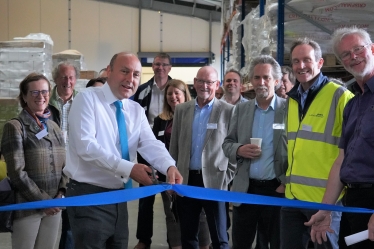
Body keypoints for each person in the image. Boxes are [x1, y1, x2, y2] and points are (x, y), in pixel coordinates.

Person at [63, 52, 182, 249]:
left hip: (119, 197)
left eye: (136, 74)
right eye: (124, 71)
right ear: (109, 72)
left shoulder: (135, 110)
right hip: (89, 196)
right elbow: (87, 146)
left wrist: (169, 166)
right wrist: (129, 169)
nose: (130, 79)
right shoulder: (87, 100)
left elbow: (150, 143)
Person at [281, 37, 354, 249]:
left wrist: (329, 207)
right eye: (296, 61)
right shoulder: (292, 99)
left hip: (325, 201)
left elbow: (350, 153)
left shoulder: (340, 96)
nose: (301, 66)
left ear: (320, 63)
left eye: (307, 60)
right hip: (292, 198)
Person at [305, 27, 374, 249]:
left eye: (358, 49)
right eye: (345, 54)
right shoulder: (353, 104)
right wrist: (326, 210)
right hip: (352, 203)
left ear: (372, 49)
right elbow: (341, 161)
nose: (352, 57)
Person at [222, 55, 287, 249]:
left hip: (276, 190)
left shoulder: (289, 109)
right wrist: (239, 149)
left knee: (276, 243)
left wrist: (285, 182)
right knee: (241, 243)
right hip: (246, 190)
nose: (261, 82)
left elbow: (297, 151)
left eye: (266, 77)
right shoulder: (241, 110)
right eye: (257, 78)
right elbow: (227, 144)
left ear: (276, 81)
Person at [169, 66, 235, 249]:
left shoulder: (228, 111)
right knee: (188, 236)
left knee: (220, 237)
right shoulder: (182, 109)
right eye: (200, 81)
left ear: (217, 85)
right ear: (195, 82)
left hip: (215, 181)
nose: (204, 86)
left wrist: (226, 175)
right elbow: (173, 146)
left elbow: (234, 148)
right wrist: (173, 175)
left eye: (209, 82)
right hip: (186, 180)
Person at [1, 73, 67, 249]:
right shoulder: (15, 127)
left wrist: (60, 193)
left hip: (55, 204)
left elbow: (65, 166)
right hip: (28, 206)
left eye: (44, 91)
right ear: (24, 96)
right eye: (34, 92)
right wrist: (43, 201)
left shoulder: (53, 126)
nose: (41, 96)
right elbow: (16, 173)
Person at [152, 79, 211, 249]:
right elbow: (154, 147)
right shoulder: (160, 121)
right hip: (167, 178)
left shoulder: (195, 116)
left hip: (190, 176)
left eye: (177, 92)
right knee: (172, 215)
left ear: (185, 94)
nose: (173, 96)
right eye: (169, 93)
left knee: (199, 216)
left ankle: (204, 245)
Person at [132, 52, 173, 249]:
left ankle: (175, 240)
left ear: (170, 68)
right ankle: (143, 239)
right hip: (146, 148)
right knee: (146, 197)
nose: (160, 68)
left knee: (172, 197)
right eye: (157, 64)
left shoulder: (177, 88)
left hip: (171, 146)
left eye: (164, 64)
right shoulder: (142, 90)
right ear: (152, 67)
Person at [50, 61, 79, 249]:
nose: (67, 81)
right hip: (50, 165)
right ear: (55, 79)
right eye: (63, 77)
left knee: (71, 220)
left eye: (71, 77)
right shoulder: (44, 101)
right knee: (49, 216)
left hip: (75, 165)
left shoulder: (83, 101)